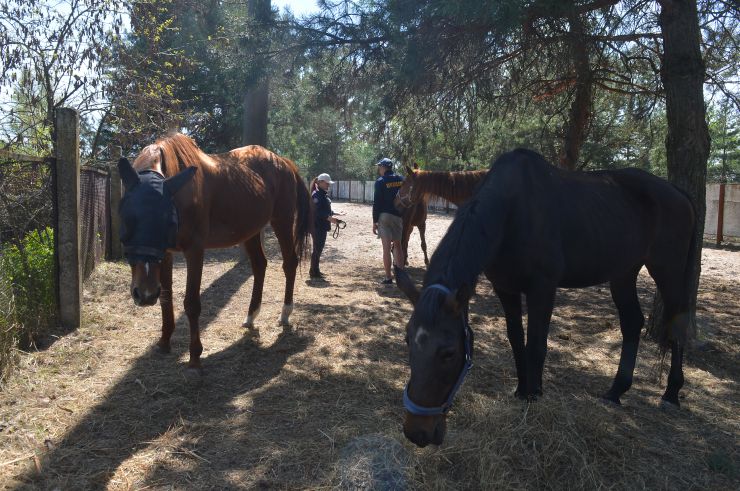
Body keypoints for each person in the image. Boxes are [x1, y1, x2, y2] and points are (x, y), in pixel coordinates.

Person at [372, 157, 404, 284]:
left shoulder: (380, 181)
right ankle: (401, 276)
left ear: (384, 167)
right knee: (398, 245)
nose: (379, 169)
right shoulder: (401, 179)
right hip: (398, 216)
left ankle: (388, 277)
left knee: (386, 248)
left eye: (380, 167)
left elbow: (377, 203)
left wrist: (374, 221)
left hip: (384, 216)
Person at [310, 173, 344, 280]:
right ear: (320, 183)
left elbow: (326, 210)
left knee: (318, 248)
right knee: (317, 248)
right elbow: (318, 212)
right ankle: (313, 271)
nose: (328, 185)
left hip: (321, 226)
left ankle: (315, 270)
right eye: (326, 183)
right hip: (317, 226)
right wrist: (332, 220)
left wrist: (337, 214)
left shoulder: (322, 194)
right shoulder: (316, 195)